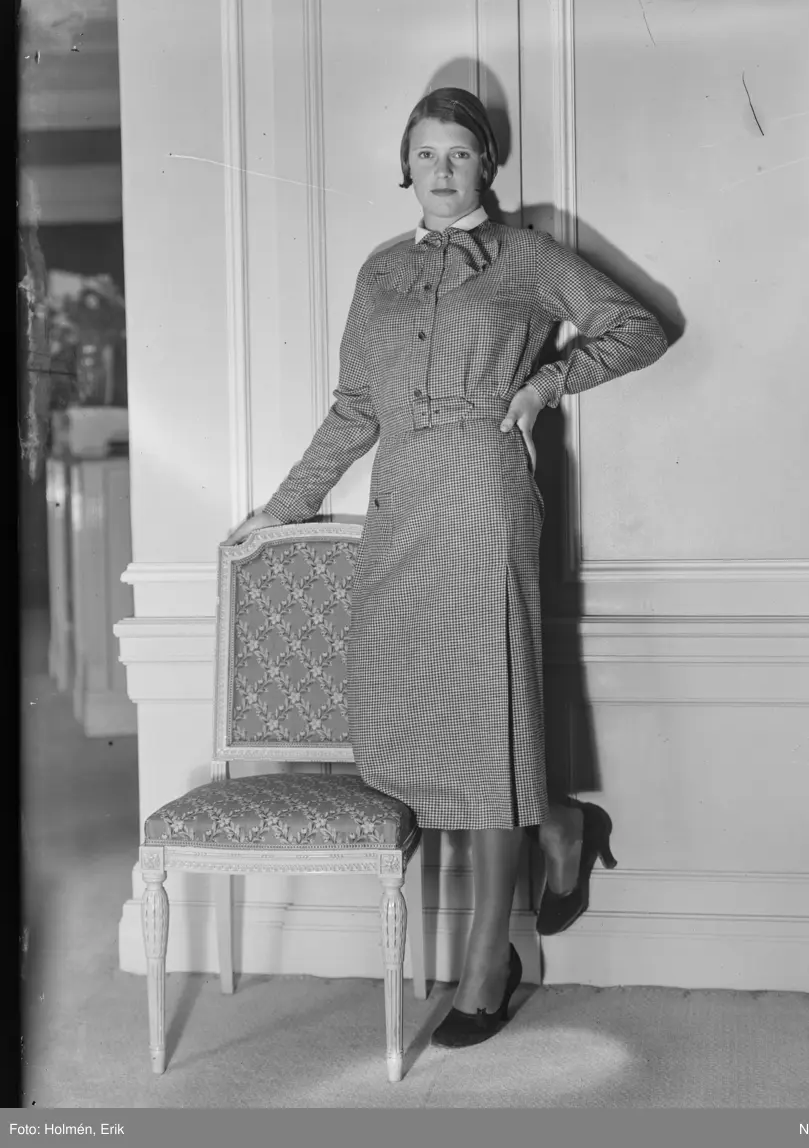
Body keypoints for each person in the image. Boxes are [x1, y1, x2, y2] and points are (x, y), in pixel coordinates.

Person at [225, 87, 669, 1048]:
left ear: (486, 166)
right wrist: (281, 508)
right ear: (405, 164)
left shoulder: (526, 257)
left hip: (482, 495)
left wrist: (547, 382)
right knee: (416, 723)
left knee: (485, 726)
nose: (440, 169)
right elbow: (354, 409)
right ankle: (559, 822)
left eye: (458, 153)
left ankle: (486, 966)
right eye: (424, 153)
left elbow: (637, 327)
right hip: (401, 505)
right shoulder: (378, 270)